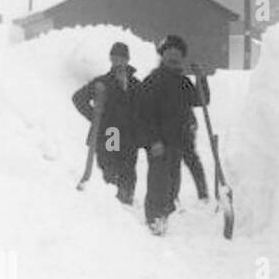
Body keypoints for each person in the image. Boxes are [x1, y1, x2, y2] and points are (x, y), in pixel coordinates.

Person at [137, 34, 208, 235]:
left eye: (178, 54)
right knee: (157, 181)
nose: (174, 57)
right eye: (170, 53)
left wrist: (201, 78)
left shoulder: (184, 82)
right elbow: (144, 115)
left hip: (178, 140)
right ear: (163, 56)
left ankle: (165, 214)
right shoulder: (152, 81)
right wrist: (153, 141)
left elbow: (201, 101)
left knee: (172, 181)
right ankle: (154, 218)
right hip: (159, 142)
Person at [71, 41, 142, 205]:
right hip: (111, 132)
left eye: (122, 58)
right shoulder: (102, 82)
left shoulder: (136, 84)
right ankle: (112, 202)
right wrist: (96, 118)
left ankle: (126, 199)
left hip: (129, 134)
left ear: (128, 60)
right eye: (115, 57)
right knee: (110, 166)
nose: (119, 61)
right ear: (111, 59)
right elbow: (78, 98)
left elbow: (144, 107)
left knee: (128, 168)